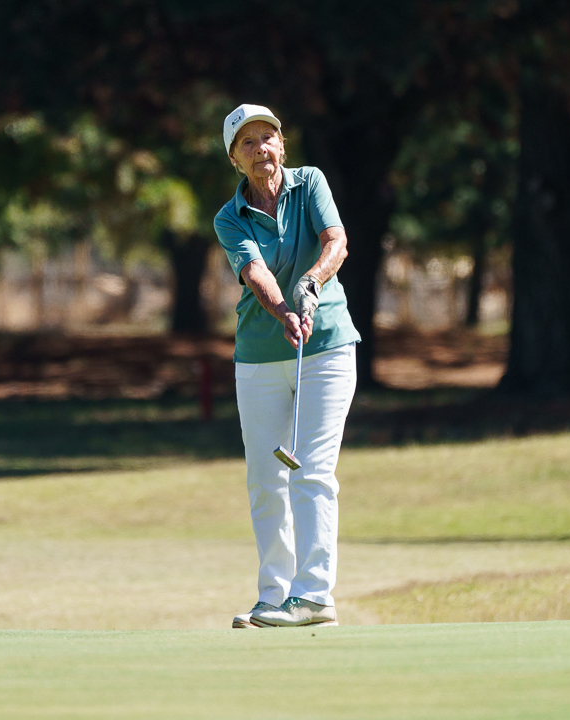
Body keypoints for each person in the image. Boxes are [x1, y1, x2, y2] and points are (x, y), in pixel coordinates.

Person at [214, 104, 360, 628]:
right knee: (265, 479)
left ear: (282, 144)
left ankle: (314, 595)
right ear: (235, 159)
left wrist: (311, 283)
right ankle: (274, 595)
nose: (261, 149)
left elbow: (336, 241)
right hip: (259, 355)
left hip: (327, 349)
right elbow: (255, 271)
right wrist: (283, 310)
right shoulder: (229, 217)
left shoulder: (310, 183)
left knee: (312, 470)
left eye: (268, 137)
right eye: (247, 143)